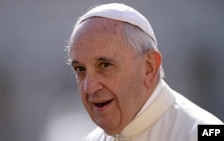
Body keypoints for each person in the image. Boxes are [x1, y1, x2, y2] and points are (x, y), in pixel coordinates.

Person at [65, 3, 223, 141]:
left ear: (149, 68)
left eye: (105, 65)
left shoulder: (203, 131)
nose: (89, 87)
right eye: (80, 69)